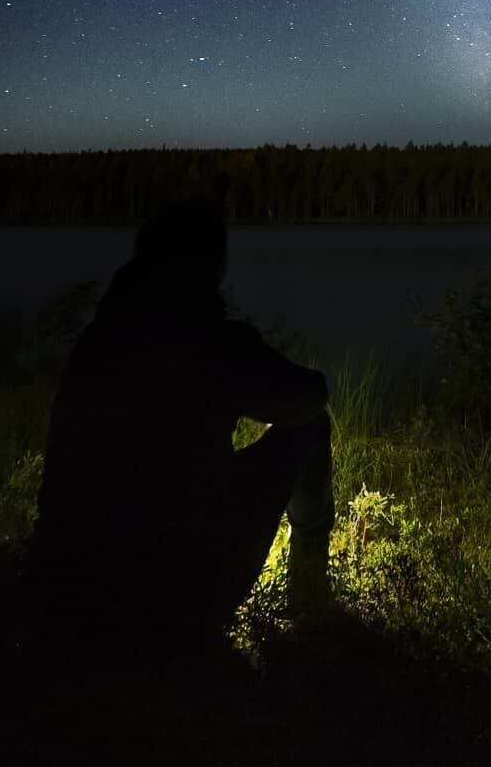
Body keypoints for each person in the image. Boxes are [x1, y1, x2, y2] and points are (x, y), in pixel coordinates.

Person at [26, 196, 334, 662]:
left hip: (63, 590)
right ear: (210, 266)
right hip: (176, 600)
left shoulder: (97, 341)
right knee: (311, 425)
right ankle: (309, 589)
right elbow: (308, 395)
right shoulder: (212, 341)